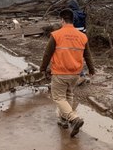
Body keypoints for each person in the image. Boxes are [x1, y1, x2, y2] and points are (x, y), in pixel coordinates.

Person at [40, 8, 95, 137]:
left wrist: (42, 68)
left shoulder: (56, 35)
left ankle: (73, 118)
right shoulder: (82, 36)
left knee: (59, 97)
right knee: (68, 95)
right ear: (73, 20)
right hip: (75, 73)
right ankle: (64, 120)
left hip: (60, 73)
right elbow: (88, 55)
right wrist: (92, 69)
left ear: (62, 20)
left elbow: (47, 54)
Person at [68, 0, 88, 81]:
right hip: (82, 36)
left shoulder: (71, 15)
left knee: (71, 55)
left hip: (72, 38)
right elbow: (84, 27)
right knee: (80, 55)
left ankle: (76, 73)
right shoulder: (82, 14)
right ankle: (81, 72)